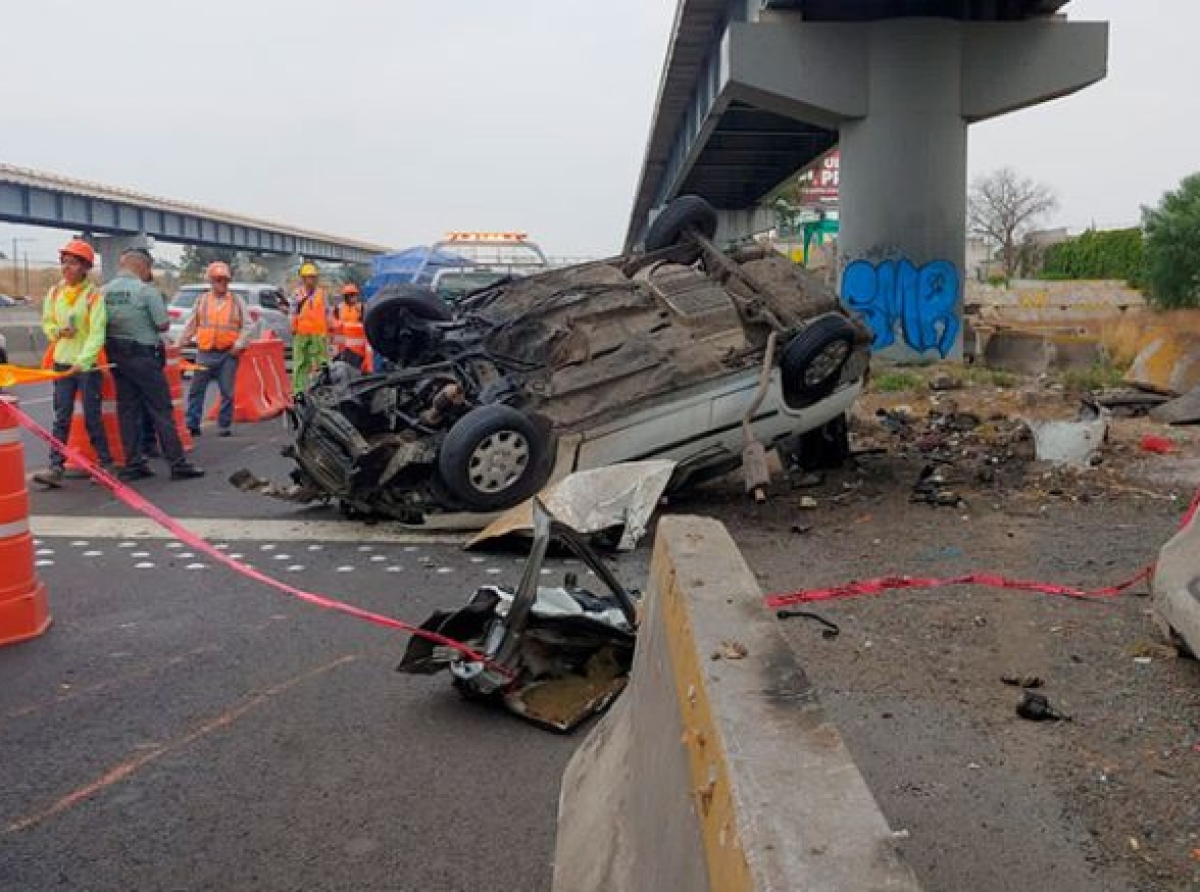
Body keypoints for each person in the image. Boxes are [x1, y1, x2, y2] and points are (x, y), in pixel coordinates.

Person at [102, 248, 204, 481]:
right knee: (161, 410)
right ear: (144, 267)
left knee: (127, 410)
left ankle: (133, 463)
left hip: (117, 355)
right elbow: (162, 325)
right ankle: (177, 463)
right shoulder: (146, 291)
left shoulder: (103, 292)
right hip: (144, 356)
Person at [32, 240, 114, 488]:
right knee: (62, 416)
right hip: (62, 363)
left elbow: (97, 333)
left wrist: (83, 361)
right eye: (64, 262)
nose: (67, 268)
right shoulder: (55, 293)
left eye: (73, 263)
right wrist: (57, 331)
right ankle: (55, 467)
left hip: (86, 367)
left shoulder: (94, 296)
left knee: (92, 415)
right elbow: (47, 323)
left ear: (85, 267)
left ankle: (105, 464)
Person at [178, 261, 253, 438]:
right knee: (197, 390)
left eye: (224, 280)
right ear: (211, 281)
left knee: (227, 391)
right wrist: (180, 344)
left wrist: (239, 345)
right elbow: (191, 324)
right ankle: (192, 423)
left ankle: (224, 425)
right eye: (218, 280)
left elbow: (248, 326)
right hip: (205, 352)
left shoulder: (236, 301)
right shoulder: (202, 300)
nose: (222, 284)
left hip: (228, 353)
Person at [290, 261, 334, 393]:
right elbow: (292, 312)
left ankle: (324, 390)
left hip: (319, 334)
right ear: (303, 278)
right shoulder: (297, 294)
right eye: (308, 277)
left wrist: (330, 329)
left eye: (313, 277)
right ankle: (299, 393)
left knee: (323, 363)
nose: (311, 280)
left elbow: (327, 312)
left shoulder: (322, 293)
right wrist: (293, 326)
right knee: (301, 364)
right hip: (302, 333)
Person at [333, 283, 370, 371]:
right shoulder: (339, 308)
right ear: (346, 297)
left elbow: (365, 327)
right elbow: (335, 328)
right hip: (344, 348)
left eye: (355, 295)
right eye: (351, 295)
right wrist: (337, 350)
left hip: (358, 349)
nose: (354, 297)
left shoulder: (361, 308)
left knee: (356, 371)